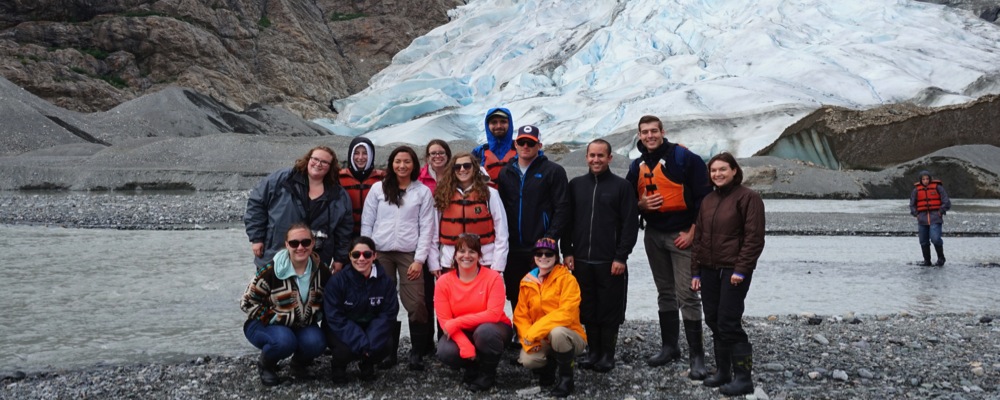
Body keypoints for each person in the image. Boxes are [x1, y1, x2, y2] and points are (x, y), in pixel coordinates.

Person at [625, 115, 712, 371]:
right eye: (644, 132)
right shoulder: (636, 166)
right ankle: (670, 347)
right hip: (653, 234)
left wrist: (693, 232)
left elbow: (705, 200)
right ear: (639, 135)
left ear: (663, 131)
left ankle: (697, 355)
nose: (649, 136)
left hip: (682, 234)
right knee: (665, 292)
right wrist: (640, 205)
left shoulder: (686, 159)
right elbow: (628, 202)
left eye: (654, 131)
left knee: (687, 293)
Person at [690, 152, 765, 396]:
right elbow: (699, 238)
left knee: (729, 321)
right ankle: (723, 371)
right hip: (710, 269)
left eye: (723, 169)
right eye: (713, 170)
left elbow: (754, 238)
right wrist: (696, 272)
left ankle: (744, 378)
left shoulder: (748, 198)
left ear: (734, 170)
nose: (718, 174)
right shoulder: (708, 200)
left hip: (733, 270)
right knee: (713, 318)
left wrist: (742, 269)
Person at [561, 139, 639, 373]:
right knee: (588, 308)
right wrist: (567, 251)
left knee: (610, 309)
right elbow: (567, 221)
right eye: (592, 155)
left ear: (609, 158)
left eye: (601, 156)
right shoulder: (575, 185)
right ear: (586, 157)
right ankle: (592, 352)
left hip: (610, 261)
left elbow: (629, 225)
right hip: (582, 259)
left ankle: (607, 355)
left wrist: (621, 256)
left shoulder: (622, 187)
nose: (596, 160)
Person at [361, 145, 436, 371]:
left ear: (414, 165)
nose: (402, 165)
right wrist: (367, 253)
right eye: (397, 161)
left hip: (408, 254)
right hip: (381, 252)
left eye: (407, 161)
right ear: (391, 164)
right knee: (384, 301)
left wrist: (419, 259)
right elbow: (367, 221)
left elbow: (427, 228)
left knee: (416, 302)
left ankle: (416, 352)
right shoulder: (377, 189)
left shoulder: (422, 192)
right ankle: (389, 352)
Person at [240, 223, 332, 386]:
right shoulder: (270, 271)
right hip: (263, 324)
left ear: (312, 243)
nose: (300, 247)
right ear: (287, 245)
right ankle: (266, 365)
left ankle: (298, 364)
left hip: (301, 325)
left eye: (305, 242)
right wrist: (274, 317)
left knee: (317, 341)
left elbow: (329, 303)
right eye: (294, 243)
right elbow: (247, 302)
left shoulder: (322, 271)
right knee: (284, 341)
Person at [496, 124, 570, 319]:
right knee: (515, 289)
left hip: (540, 245)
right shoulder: (506, 173)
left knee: (544, 290)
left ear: (539, 145)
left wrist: (550, 238)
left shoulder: (553, 171)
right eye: (522, 142)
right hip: (512, 244)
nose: (526, 146)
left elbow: (562, 208)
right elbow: (500, 208)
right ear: (515, 144)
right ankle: (519, 328)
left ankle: (544, 330)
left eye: (531, 142)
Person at [245, 146, 353, 271]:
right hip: (275, 253)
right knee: (272, 289)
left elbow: (344, 230)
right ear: (308, 159)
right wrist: (257, 238)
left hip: (316, 261)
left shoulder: (338, 194)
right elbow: (257, 203)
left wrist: (339, 258)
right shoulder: (283, 179)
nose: (318, 164)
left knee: (309, 290)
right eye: (315, 159)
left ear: (331, 167)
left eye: (324, 162)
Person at [435, 233, 513, 392]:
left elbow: (493, 314)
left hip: (494, 328)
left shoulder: (493, 277)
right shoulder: (444, 281)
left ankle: (487, 373)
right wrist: (465, 345)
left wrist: (457, 322)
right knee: (445, 351)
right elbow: (444, 320)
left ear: (479, 255)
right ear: (455, 255)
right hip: (465, 332)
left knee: (485, 332)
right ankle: (472, 364)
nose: (466, 256)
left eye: (472, 251)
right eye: (462, 251)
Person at [514, 238, 587, 398]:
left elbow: (566, 313)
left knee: (558, 333)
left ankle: (566, 379)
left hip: (570, 335)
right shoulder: (526, 282)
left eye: (549, 254)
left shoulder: (568, 279)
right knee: (528, 360)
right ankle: (549, 369)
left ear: (556, 257)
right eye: (539, 253)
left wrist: (535, 332)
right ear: (534, 256)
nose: (543, 257)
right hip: (541, 338)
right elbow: (521, 315)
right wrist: (527, 336)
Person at [323, 236, 400, 384]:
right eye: (356, 255)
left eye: (367, 254)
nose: (361, 259)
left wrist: (370, 341)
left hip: (369, 327)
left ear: (375, 255)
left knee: (385, 345)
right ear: (349, 256)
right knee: (344, 349)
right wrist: (361, 341)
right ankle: (339, 365)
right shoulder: (337, 281)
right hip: (342, 327)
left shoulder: (386, 282)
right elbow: (334, 317)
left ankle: (367, 363)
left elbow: (389, 314)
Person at [429, 152, 509, 274]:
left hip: (485, 260)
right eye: (457, 167)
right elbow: (433, 231)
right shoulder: (442, 195)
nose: (462, 169)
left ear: (474, 168)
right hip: (450, 260)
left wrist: (498, 265)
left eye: (467, 166)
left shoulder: (490, 194)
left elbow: (501, 232)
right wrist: (434, 263)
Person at [339, 137, 386, 238]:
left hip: (374, 234)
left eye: (365, 153)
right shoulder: (339, 178)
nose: (360, 157)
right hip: (345, 235)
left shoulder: (382, 178)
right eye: (356, 153)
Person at [909, 170, 951, 266]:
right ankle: (927, 261)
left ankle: (941, 258)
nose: (925, 181)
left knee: (935, 239)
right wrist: (916, 214)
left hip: (935, 218)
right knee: (923, 241)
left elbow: (946, 202)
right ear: (920, 180)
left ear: (930, 179)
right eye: (923, 179)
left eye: (927, 179)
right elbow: (912, 204)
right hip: (922, 219)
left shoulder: (938, 188)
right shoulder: (916, 190)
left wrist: (940, 212)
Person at [471, 108, 516, 182]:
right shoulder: (478, 152)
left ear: (509, 124)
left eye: (503, 122)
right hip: (488, 193)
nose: (498, 126)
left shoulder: (521, 149)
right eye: (494, 122)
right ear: (487, 125)